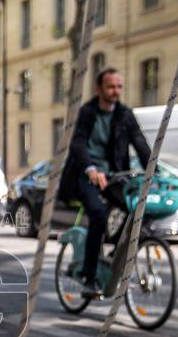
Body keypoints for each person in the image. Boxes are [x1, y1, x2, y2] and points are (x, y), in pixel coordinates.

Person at [61, 68, 151, 297]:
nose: (116, 91)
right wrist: (90, 168)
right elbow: (77, 144)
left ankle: (112, 258)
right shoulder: (86, 113)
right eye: (111, 86)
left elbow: (140, 142)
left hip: (113, 177)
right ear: (99, 88)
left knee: (138, 211)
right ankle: (89, 278)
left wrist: (154, 169)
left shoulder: (125, 114)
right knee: (98, 214)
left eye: (119, 87)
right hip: (84, 175)